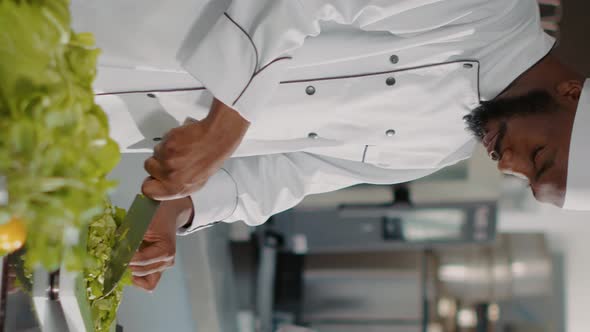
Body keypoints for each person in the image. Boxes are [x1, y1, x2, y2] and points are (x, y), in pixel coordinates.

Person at [70, 0, 589, 291]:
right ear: (572, 93)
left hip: (101, 121)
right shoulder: (488, 12)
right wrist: (226, 124)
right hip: (114, 21)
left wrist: (183, 208)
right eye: (539, 157)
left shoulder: (440, 150)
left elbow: (293, 172)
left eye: (526, 181)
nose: (509, 166)